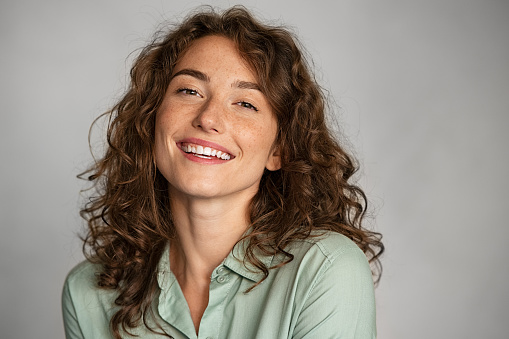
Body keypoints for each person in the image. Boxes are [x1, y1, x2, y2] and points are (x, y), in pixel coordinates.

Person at [62, 6, 384, 339]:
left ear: (279, 150)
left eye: (245, 103)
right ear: (151, 119)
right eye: (189, 91)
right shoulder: (88, 293)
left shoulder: (325, 269)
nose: (208, 118)